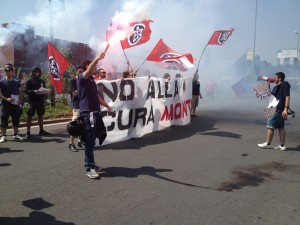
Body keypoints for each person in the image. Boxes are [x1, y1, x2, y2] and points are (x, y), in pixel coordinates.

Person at [77, 52, 113, 179]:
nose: (96, 67)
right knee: (89, 140)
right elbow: (88, 70)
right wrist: (97, 58)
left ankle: (91, 164)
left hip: (95, 113)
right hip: (88, 113)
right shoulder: (83, 77)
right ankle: (89, 168)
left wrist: (107, 106)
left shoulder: (91, 80)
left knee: (92, 140)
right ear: (88, 67)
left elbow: (96, 97)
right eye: (94, 65)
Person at [258, 72, 291, 151]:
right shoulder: (276, 87)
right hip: (274, 108)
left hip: (279, 110)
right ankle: (282, 146)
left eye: (275, 77)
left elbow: (287, 97)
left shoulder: (285, 84)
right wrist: (267, 85)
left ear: (280, 78)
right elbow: (270, 97)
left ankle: (268, 144)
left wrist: (285, 109)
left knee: (270, 126)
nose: (274, 78)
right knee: (281, 128)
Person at [0, 64, 24, 143]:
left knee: (16, 119)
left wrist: (19, 101)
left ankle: (15, 134)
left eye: (9, 71)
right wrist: (6, 99)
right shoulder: (1, 81)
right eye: (6, 71)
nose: (8, 73)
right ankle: (3, 136)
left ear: (12, 72)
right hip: (5, 104)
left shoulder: (16, 82)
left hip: (15, 104)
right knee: (4, 119)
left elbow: (20, 92)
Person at [24, 67, 50, 139]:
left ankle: (41, 130)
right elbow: (26, 91)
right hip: (32, 101)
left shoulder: (41, 81)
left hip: (40, 101)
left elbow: (44, 90)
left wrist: (46, 93)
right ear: (33, 72)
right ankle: (28, 132)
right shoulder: (29, 81)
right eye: (35, 71)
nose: (37, 73)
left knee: (40, 115)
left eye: (38, 71)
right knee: (29, 115)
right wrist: (34, 91)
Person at [68, 65, 85, 152]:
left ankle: (79, 141)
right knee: (74, 124)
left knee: (82, 124)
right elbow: (74, 93)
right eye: (79, 71)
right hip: (76, 105)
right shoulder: (73, 80)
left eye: (82, 72)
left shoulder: (84, 80)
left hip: (84, 105)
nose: (80, 73)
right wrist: (81, 89)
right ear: (76, 72)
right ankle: (71, 143)